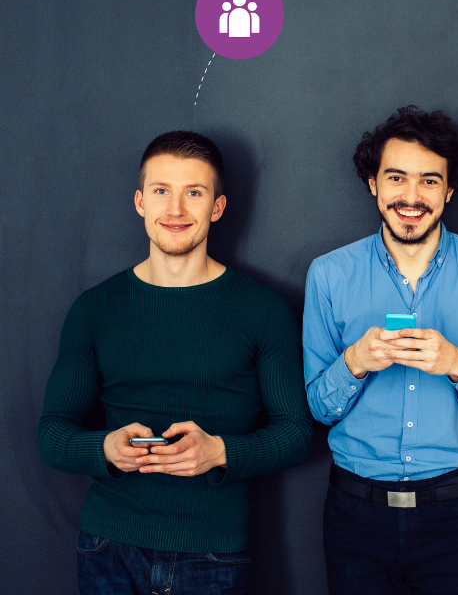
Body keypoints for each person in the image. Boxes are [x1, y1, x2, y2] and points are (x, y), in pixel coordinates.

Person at [37, 130, 313, 594]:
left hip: (213, 552)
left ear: (217, 208)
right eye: (162, 191)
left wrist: (219, 452)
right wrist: (104, 449)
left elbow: (296, 432)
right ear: (141, 202)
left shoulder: (262, 310)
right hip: (107, 546)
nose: (177, 210)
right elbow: (52, 431)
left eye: (194, 193)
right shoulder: (94, 309)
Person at [303, 106, 458, 595]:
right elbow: (318, 407)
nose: (411, 196)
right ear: (373, 183)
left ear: (449, 189)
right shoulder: (329, 274)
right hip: (355, 512)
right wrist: (354, 363)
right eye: (396, 178)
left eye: (429, 181)